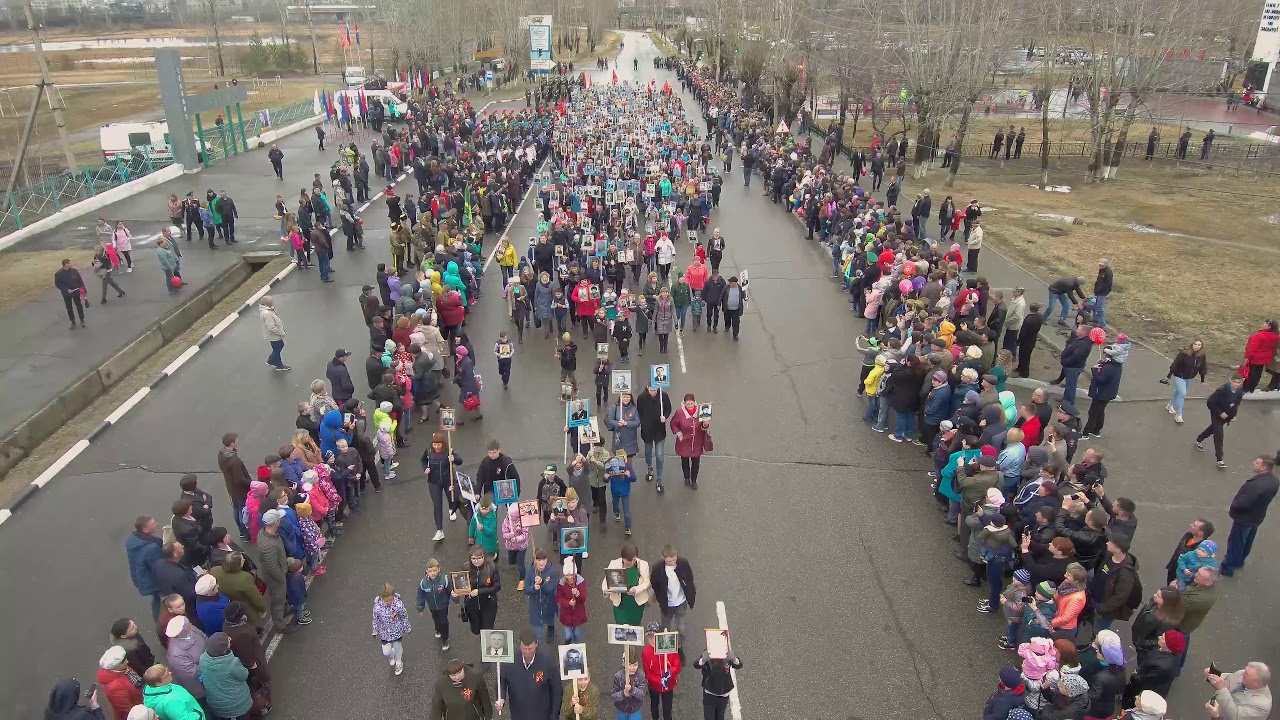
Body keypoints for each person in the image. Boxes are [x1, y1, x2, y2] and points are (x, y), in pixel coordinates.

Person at [1221, 455, 1279, 576]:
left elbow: (1244, 503)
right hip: (1256, 517)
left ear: (1263, 467)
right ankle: (1240, 561)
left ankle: (1228, 567)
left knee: (1236, 543)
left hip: (1244, 518)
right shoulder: (1274, 481)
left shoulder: (1256, 485)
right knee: (1247, 540)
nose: (1253, 463)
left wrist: (1234, 507)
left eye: (1257, 463)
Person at [496, 628, 562, 720]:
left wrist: (554, 715)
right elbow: (501, 680)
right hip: (518, 714)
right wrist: (501, 697)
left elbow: (557, 689)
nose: (527, 652)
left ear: (536, 644)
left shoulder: (547, 661)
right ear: (520, 645)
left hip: (542, 715)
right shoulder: (510, 661)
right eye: (524, 648)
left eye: (530, 649)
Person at [648, 544, 695, 657]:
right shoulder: (657, 568)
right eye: (669, 561)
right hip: (667, 605)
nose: (672, 563)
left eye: (674, 560)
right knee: (666, 628)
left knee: (681, 628)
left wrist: (690, 592)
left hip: (681, 602)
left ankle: (679, 647)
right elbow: (654, 583)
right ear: (663, 558)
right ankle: (666, 652)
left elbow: (689, 578)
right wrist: (660, 598)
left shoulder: (683, 563)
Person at [256, 509, 296, 635]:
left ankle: (286, 608)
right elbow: (272, 567)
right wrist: (281, 578)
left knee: (281, 596)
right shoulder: (268, 544)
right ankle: (280, 625)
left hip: (277, 570)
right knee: (277, 600)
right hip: (275, 576)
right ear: (275, 522)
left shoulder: (265, 533)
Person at [1195, 373, 1246, 469]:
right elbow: (1210, 402)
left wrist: (1233, 415)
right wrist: (1220, 412)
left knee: (1213, 429)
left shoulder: (1239, 392)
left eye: (1238, 382)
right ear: (1230, 380)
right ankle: (1219, 459)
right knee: (1219, 434)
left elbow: (1236, 404)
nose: (1236, 384)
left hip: (1227, 415)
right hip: (1217, 414)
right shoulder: (1222, 390)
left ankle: (1199, 439)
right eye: (1234, 382)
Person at [198, 633, 251, 720]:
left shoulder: (203, 658)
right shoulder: (232, 663)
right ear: (224, 649)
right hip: (235, 704)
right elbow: (244, 675)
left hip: (215, 703)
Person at [125, 516, 166, 620]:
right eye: (153, 524)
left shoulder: (134, 541)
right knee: (163, 597)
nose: (156, 524)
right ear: (145, 530)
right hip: (153, 581)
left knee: (156, 597)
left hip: (142, 578)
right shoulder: (151, 548)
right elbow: (159, 566)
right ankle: (160, 620)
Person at [601, 543, 651, 626]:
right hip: (621, 604)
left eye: (634, 559)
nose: (632, 562)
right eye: (629, 560)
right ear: (623, 558)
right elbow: (606, 581)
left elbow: (646, 582)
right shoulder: (614, 564)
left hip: (636, 604)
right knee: (621, 627)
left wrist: (637, 589)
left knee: (634, 627)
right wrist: (606, 591)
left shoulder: (643, 564)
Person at [669, 393, 712, 489]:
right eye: (688, 404)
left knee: (696, 464)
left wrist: (705, 425)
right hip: (684, 442)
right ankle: (686, 478)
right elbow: (673, 424)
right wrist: (679, 434)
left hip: (697, 443)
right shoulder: (679, 413)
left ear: (694, 403)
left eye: (691, 403)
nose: (690, 405)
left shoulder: (701, 412)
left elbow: (704, 427)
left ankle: (694, 480)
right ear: (684, 404)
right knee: (685, 462)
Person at [1082, 344, 1123, 439]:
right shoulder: (1116, 365)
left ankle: (1085, 433)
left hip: (1101, 394)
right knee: (1100, 411)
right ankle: (1096, 430)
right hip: (1107, 394)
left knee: (1093, 412)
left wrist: (1094, 370)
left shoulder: (1109, 368)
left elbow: (1101, 380)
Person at [1205, 662, 1272, 720]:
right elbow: (1228, 680)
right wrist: (1213, 676)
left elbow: (1234, 716)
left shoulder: (1262, 706)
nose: (1242, 674)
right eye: (1245, 671)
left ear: (1258, 683)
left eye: (1246, 674)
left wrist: (1221, 689)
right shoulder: (1243, 675)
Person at [163, 616, 206, 702]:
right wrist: (210, 661)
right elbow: (192, 672)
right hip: (197, 683)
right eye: (189, 624)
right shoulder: (176, 654)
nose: (191, 624)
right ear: (185, 630)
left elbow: (204, 637)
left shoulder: (191, 629)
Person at [636, 385, 672, 489]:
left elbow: (668, 408)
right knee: (648, 451)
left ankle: (659, 477)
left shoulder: (663, 396)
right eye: (651, 390)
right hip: (647, 431)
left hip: (659, 431)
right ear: (647, 387)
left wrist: (665, 417)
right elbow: (639, 412)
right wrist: (644, 422)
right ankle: (649, 467)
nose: (653, 392)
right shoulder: (641, 397)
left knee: (659, 455)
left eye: (654, 390)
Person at [372, 583, 412, 676]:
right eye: (386, 601)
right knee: (386, 652)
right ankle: (391, 654)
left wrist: (407, 627)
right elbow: (375, 619)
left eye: (391, 600)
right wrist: (375, 630)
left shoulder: (398, 604)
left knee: (398, 646)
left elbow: (404, 616)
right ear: (381, 598)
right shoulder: (377, 607)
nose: (389, 602)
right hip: (385, 633)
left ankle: (399, 662)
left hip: (397, 631)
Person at [416, 559, 455, 651]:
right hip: (432, 606)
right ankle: (438, 629)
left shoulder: (444, 579)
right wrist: (420, 608)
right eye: (430, 571)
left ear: (439, 569)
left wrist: (454, 598)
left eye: (434, 570)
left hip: (443, 606)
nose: (432, 573)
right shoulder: (423, 583)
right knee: (436, 619)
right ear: (427, 571)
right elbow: (420, 596)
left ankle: (445, 639)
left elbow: (451, 591)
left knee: (444, 621)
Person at [1165, 339, 1208, 423]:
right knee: (1182, 394)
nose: (1197, 346)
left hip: (1189, 378)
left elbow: (1203, 367)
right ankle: (1179, 415)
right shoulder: (1184, 353)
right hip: (1179, 376)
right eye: (1195, 344)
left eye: (1199, 345)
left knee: (1178, 392)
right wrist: (1169, 376)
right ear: (1192, 344)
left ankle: (1170, 405)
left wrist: (1202, 379)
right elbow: (1175, 364)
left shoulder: (1201, 356)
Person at [695, 646, 742, 720]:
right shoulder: (708, 654)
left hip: (723, 694)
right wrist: (703, 660)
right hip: (709, 694)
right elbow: (696, 664)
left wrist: (734, 659)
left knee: (720, 717)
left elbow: (739, 665)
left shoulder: (726, 655)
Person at [97, 645, 143, 720]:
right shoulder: (114, 687)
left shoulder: (123, 669)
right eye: (124, 661)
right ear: (115, 666)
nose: (127, 662)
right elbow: (127, 709)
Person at [463, 545, 501, 635]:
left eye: (479, 558)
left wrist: (479, 591)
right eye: (473, 558)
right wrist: (456, 592)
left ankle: (485, 646)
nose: (476, 561)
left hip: (488, 604)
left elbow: (497, 587)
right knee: (476, 629)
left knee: (487, 630)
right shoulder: (466, 568)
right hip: (473, 605)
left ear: (484, 557)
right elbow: (461, 584)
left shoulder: (492, 568)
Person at [523, 550, 560, 643]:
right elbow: (526, 589)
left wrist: (542, 582)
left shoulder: (552, 572)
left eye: (543, 560)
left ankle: (551, 628)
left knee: (550, 620)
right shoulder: (530, 571)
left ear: (546, 560)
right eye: (538, 560)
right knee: (537, 636)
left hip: (548, 604)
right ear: (535, 560)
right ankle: (538, 653)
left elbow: (549, 589)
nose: (541, 562)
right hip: (535, 608)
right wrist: (534, 588)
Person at [54, 257, 88, 329]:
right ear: (65, 264)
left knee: (79, 306)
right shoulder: (58, 274)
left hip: (76, 292)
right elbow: (58, 284)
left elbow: (80, 280)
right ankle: (72, 321)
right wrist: (66, 290)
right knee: (69, 308)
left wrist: (83, 289)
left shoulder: (74, 271)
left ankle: (82, 320)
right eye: (70, 263)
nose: (71, 264)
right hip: (67, 294)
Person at [611, 655, 647, 720]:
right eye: (629, 665)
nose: (632, 668)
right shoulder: (618, 676)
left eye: (635, 665)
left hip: (635, 709)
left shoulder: (641, 675)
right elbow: (613, 695)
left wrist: (632, 689)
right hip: (621, 709)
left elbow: (642, 694)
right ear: (624, 664)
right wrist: (623, 693)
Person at [258, 296, 289, 371]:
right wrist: (280, 332)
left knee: (279, 346)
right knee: (277, 349)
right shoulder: (267, 313)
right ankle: (279, 365)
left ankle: (271, 360)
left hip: (273, 334)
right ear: (266, 303)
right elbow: (271, 327)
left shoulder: (268, 310)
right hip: (273, 335)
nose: (272, 301)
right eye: (270, 301)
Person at [720, 276, 748, 341]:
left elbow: (744, 295)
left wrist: (746, 298)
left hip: (736, 309)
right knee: (727, 319)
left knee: (736, 323)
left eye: (730, 282)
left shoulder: (740, 288)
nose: (729, 283)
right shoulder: (726, 287)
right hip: (727, 309)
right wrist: (719, 304)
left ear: (735, 283)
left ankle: (735, 335)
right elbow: (721, 295)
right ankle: (727, 326)